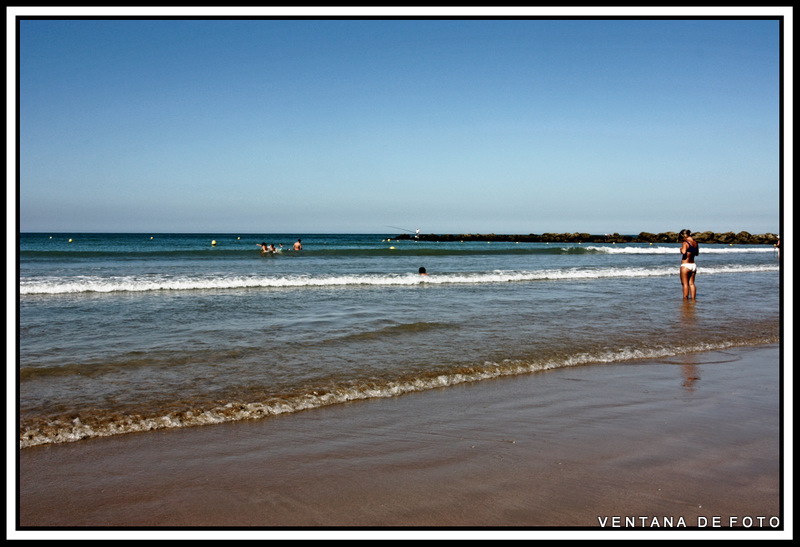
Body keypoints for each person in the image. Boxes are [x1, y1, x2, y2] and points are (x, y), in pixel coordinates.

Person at [679, 229, 699, 299]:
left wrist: (681, 249)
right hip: (693, 265)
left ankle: (685, 299)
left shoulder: (685, 242)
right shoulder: (695, 243)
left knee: (685, 284)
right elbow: (696, 254)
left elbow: (684, 252)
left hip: (685, 265)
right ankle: (693, 299)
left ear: (684, 236)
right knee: (692, 283)